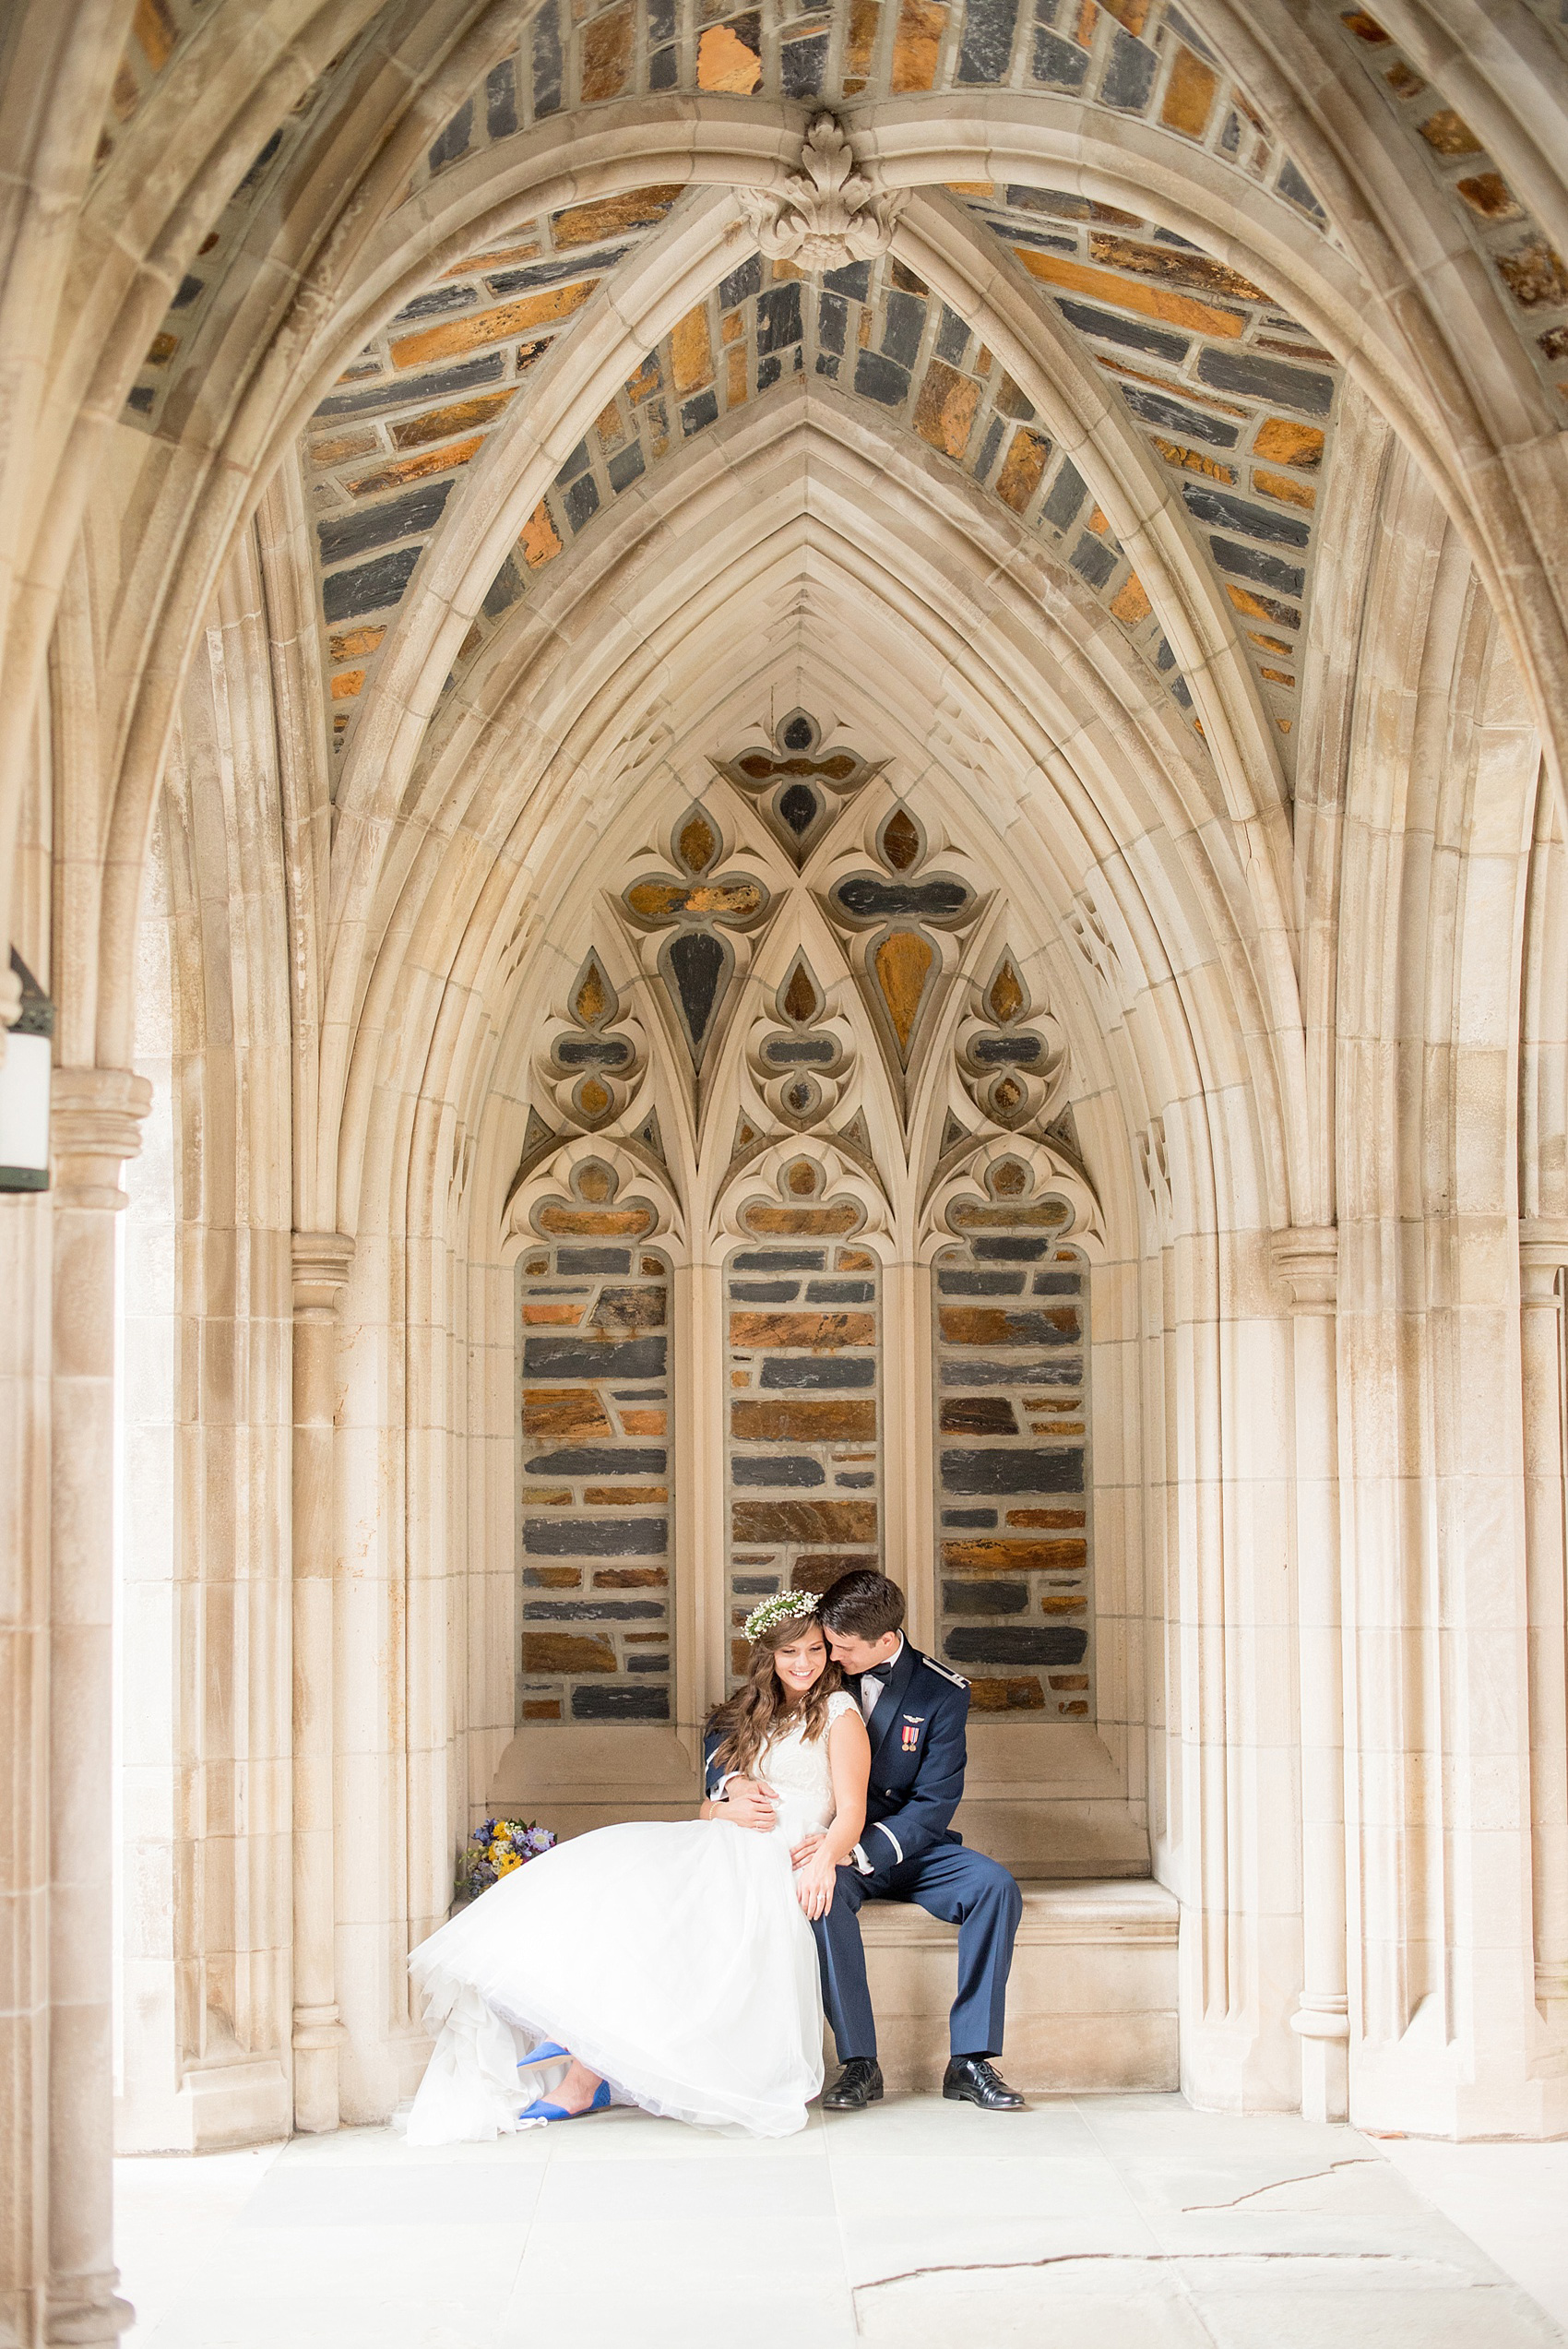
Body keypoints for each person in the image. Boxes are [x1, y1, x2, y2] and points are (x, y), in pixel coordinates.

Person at [401, 1592, 870, 2140]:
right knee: (617, 1877)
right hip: (728, 1839)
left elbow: (852, 1811)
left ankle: (584, 2068)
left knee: (674, 1920)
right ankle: (586, 2042)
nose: (804, 1663)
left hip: (784, 1856)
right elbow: (706, 1808)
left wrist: (823, 1867)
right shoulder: (753, 1714)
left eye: (815, 1649)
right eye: (790, 1651)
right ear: (769, 1655)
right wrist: (725, 1802)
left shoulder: (839, 1714)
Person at [708, 1568, 1026, 2113]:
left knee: (995, 1888)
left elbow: (933, 1805)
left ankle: (971, 2060)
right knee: (821, 1899)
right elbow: (737, 1719)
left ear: (884, 1640)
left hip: (907, 1846)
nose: (826, 1655)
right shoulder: (824, 1662)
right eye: (826, 1643)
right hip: (827, 1842)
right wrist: (732, 1782)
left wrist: (856, 1848)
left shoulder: (942, 1693)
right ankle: (860, 2063)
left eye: (840, 1647)